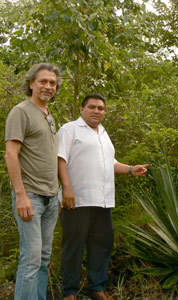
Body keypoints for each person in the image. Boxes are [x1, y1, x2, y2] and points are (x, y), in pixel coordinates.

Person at [57, 94, 149, 300]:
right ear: (82, 110)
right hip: (77, 200)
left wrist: (131, 169)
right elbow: (60, 159)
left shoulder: (103, 133)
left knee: (103, 243)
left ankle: (96, 286)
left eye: (101, 108)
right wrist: (66, 188)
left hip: (103, 200)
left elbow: (110, 162)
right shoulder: (69, 129)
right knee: (74, 246)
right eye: (92, 107)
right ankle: (69, 291)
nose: (97, 111)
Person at [5, 63, 61, 300]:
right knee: (31, 259)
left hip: (50, 198)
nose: (48, 86)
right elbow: (10, 154)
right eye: (43, 81)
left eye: (52, 83)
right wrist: (21, 195)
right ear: (31, 84)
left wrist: (57, 192)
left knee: (44, 258)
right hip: (31, 197)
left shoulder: (48, 115)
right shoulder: (21, 111)